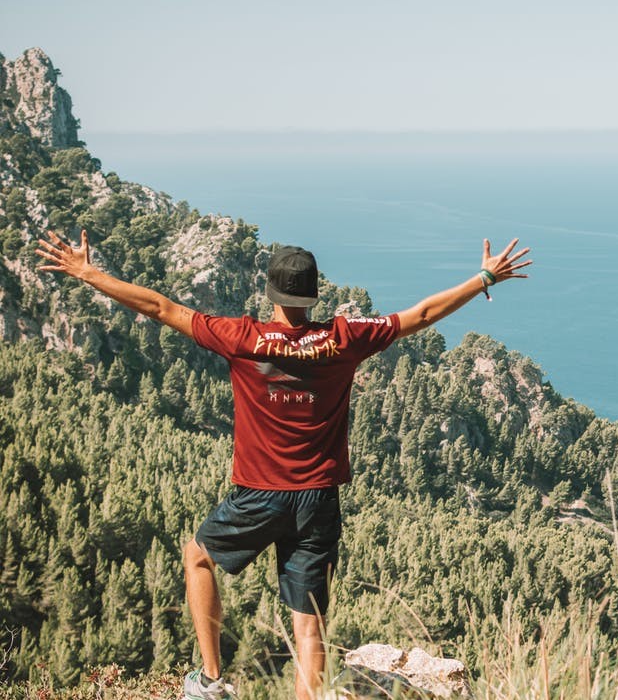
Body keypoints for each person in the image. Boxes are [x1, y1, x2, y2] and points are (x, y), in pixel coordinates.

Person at [36, 229, 531, 700]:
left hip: (259, 495)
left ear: (269, 292)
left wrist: (88, 273)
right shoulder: (344, 339)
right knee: (309, 625)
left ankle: (211, 681)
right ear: (313, 296)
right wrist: (484, 278)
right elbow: (420, 315)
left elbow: (160, 307)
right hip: (318, 500)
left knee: (197, 558)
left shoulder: (241, 338)